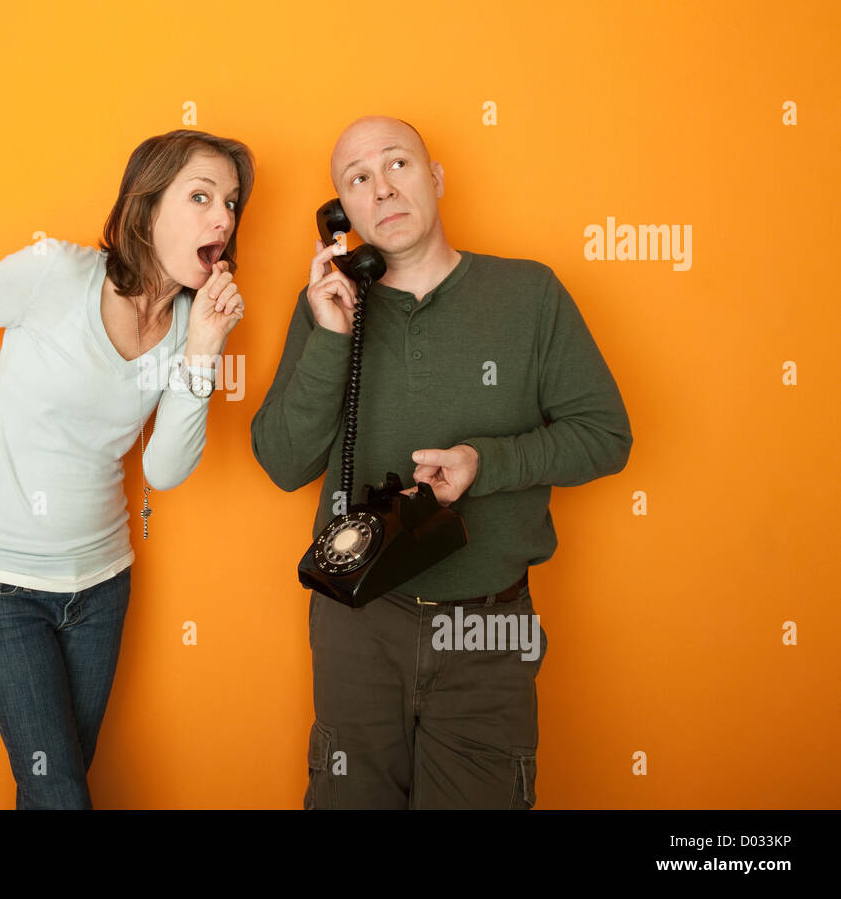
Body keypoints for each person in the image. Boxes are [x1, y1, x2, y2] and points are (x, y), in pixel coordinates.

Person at [250, 115, 632, 809]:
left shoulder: (529, 294)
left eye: (397, 164)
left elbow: (605, 435)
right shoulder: (327, 308)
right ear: (342, 216)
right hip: (358, 619)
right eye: (357, 179)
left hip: (488, 624)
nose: (382, 189)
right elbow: (283, 463)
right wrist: (331, 336)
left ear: (436, 177)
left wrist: (486, 462)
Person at [0, 129, 252, 808]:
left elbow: (165, 470)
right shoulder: (55, 274)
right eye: (201, 197)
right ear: (145, 205)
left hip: (102, 589)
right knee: (59, 793)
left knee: (54, 788)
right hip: (0, 588)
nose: (223, 219)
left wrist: (203, 348)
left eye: (231, 203)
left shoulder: (190, 324)